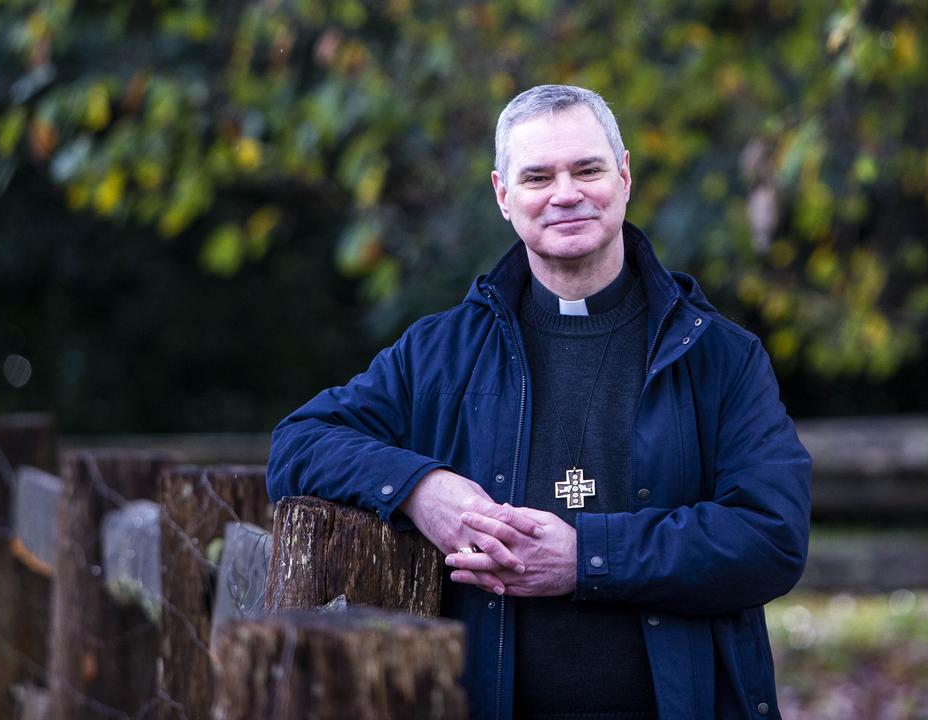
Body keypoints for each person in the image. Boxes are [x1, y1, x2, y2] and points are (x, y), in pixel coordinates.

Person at [267, 84, 811, 720]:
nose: (566, 194)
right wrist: (422, 489)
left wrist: (586, 559)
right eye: (537, 176)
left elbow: (771, 539)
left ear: (625, 174)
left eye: (587, 169)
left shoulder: (718, 356)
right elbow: (298, 443)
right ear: (503, 195)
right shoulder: (442, 355)